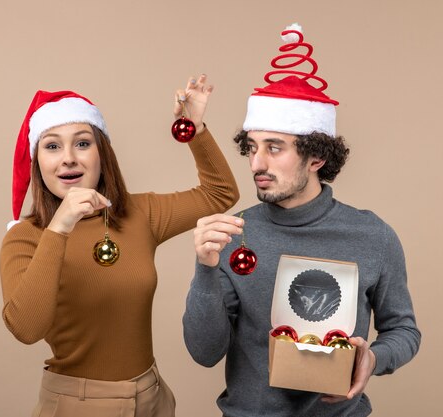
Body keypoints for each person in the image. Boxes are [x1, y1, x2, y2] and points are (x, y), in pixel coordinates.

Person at [182, 25, 421, 416]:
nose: (257, 163)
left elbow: (404, 331)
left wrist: (373, 359)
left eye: (275, 148)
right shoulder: (232, 235)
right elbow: (204, 353)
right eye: (253, 147)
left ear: (316, 158)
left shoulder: (372, 235)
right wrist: (205, 269)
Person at [0, 75, 239, 417]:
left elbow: (220, 194)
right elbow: (25, 328)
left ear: (102, 153)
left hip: (152, 398)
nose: (68, 158)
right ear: (38, 161)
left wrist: (195, 129)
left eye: (82, 143)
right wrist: (60, 226)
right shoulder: (26, 236)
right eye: (52, 146)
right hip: (76, 405)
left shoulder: (139, 214)